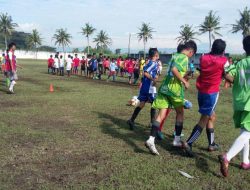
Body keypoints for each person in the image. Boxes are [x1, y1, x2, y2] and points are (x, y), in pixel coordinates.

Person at [145, 41, 197, 155]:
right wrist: (184, 81)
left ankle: (151, 139)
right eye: (191, 54)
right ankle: (177, 140)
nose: (190, 56)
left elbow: (175, 71)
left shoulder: (174, 55)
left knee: (162, 114)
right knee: (180, 113)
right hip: (174, 90)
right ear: (191, 51)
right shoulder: (184, 58)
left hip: (164, 87)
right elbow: (174, 70)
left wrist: (186, 74)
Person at [182, 39, 229, 157]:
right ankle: (189, 143)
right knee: (204, 118)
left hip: (201, 91)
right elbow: (227, 75)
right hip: (212, 93)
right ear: (223, 50)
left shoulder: (203, 57)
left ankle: (211, 144)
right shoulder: (224, 61)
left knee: (211, 116)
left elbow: (204, 68)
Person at [218, 35, 250, 177]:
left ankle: (245, 161)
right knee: (248, 133)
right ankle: (227, 157)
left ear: (244, 48)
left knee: (245, 132)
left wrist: (230, 77)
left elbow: (229, 77)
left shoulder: (239, 63)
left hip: (239, 101)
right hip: (249, 102)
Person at [127, 48, 159, 130]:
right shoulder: (153, 63)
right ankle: (152, 123)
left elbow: (150, 73)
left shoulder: (152, 62)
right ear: (156, 55)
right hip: (149, 88)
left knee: (142, 104)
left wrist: (154, 78)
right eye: (157, 54)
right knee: (154, 104)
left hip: (146, 86)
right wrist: (153, 79)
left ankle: (131, 120)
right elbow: (145, 72)